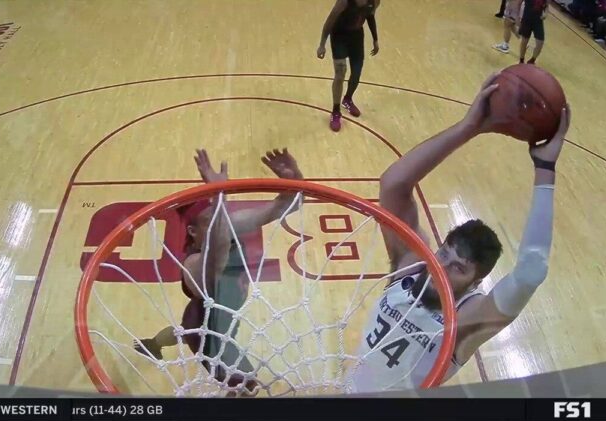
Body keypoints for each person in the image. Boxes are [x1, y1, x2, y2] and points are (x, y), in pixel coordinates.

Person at [346, 72, 570, 392]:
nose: (441, 267)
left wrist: (545, 169)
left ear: (476, 283)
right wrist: (468, 128)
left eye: (458, 268)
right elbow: (394, 185)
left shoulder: (464, 323)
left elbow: (531, 272)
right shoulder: (412, 267)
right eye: (444, 254)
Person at [133, 148, 305, 396]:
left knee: (181, 330)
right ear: (193, 232)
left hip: (210, 312)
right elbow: (219, 251)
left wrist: (293, 180)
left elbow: (284, 207)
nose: (220, 217)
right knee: (245, 383)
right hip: (211, 334)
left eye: (219, 212)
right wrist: (220, 196)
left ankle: (153, 344)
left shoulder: (226, 223)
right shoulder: (192, 265)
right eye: (211, 215)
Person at [317, 0, 380, 132]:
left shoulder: (375, 1)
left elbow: (370, 16)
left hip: (356, 37)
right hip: (339, 36)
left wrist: (375, 39)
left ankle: (348, 99)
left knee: (356, 73)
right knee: (340, 73)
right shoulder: (344, 1)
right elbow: (330, 20)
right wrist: (322, 44)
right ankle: (335, 111)